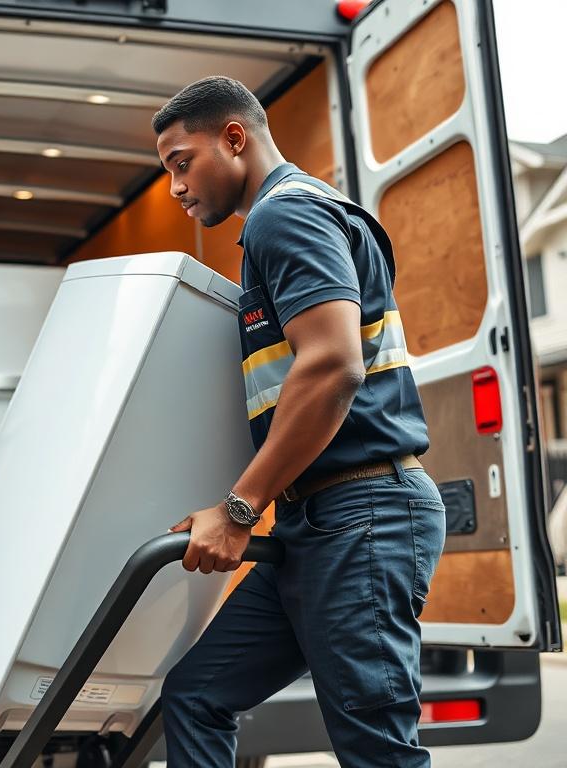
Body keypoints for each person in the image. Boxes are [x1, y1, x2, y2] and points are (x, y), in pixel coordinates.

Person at [153, 76, 447, 767]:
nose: (175, 188)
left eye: (180, 163)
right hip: (316, 526)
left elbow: (333, 366)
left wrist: (238, 506)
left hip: (363, 516)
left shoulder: (286, 215)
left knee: (377, 751)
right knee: (195, 694)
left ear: (234, 138)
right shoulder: (283, 223)